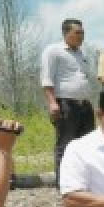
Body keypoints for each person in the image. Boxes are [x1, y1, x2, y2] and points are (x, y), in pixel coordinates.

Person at [40, 18, 95, 183]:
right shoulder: (53, 51)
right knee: (65, 144)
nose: (81, 36)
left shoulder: (82, 54)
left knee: (87, 144)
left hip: (84, 105)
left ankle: (83, 180)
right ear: (66, 33)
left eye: (82, 33)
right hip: (65, 104)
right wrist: (52, 102)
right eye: (77, 32)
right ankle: (64, 183)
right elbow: (46, 79)